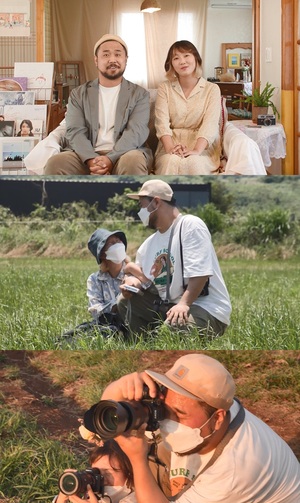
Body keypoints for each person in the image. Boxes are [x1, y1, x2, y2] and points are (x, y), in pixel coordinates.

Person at [97, 352, 300, 503]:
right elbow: (95, 432)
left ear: (218, 418)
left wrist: (137, 460)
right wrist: (114, 394)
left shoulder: (235, 469)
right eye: (164, 408)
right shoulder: (211, 413)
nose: (168, 420)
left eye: (179, 414)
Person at [117, 180, 231, 336]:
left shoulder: (190, 225)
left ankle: (162, 340)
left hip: (204, 306)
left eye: (142, 205)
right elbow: (143, 277)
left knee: (173, 329)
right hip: (169, 306)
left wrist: (184, 304)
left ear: (156, 202)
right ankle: (143, 345)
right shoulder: (148, 244)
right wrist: (132, 283)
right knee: (124, 301)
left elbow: (201, 273)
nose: (140, 211)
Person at [44, 34, 153, 176]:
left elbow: (136, 132)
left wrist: (110, 159)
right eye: (106, 55)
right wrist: (90, 159)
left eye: (118, 54)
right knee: (56, 163)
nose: (112, 59)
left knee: (133, 160)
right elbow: (75, 131)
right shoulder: (78, 94)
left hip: (124, 154)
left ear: (126, 60)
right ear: (96, 60)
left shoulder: (139, 95)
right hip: (84, 156)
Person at [154, 40, 222, 175]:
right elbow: (161, 122)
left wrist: (197, 150)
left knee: (194, 162)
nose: (182, 61)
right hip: (170, 144)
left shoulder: (212, 89)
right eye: (176, 58)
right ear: (171, 64)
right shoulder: (164, 88)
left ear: (196, 58)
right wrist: (170, 148)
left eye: (186, 56)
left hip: (202, 146)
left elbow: (210, 124)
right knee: (171, 161)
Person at [42, 438, 141, 503]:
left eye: (107, 472)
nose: (101, 478)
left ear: (128, 473)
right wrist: (61, 500)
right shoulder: (94, 501)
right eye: (96, 472)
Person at [86, 227, 129, 330]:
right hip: (108, 326)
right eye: (112, 243)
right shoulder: (95, 280)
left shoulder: (132, 272)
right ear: (102, 254)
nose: (118, 245)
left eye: (118, 241)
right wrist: (119, 302)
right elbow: (95, 310)